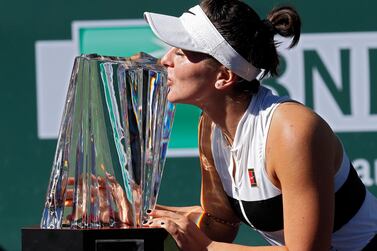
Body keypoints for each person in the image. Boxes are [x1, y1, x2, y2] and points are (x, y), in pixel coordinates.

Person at [143, 0, 377, 250]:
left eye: (180, 52)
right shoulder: (210, 125)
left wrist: (206, 247)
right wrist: (140, 212)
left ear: (224, 76)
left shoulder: (293, 131)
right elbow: (220, 224)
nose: (164, 60)